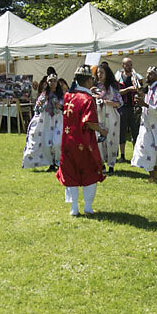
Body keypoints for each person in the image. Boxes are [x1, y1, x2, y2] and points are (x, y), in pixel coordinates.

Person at [56, 65, 107, 215]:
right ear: (88, 81)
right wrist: (102, 130)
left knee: (70, 173)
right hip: (84, 142)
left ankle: (74, 208)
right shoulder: (87, 99)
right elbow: (89, 122)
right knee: (90, 172)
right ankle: (88, 207)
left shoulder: (68, 96)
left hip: (67, 141)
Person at [132, 66, 157, 182]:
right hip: (147, 124)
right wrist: (140, 105)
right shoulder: (149, 89)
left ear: (156, 76)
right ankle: (153, 176)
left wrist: (144, 104)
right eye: (147, 73)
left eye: (151, 74)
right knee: (146, 148)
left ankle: (155, 176)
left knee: (155, 150)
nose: (148, 76)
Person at [22, 73, 64, 170]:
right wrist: (41, 104)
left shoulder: (61, 95)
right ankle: (51, 163)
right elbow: (37, 108)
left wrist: (59, 106)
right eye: (50, 81)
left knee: (57, 142)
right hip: (46, 120)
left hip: (58, 120)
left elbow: (65, 107)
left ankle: (59, 162)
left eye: (54, 81)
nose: (52, 83)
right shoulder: (44, 95)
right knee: (47, 143)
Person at [93, 63, 122, 174]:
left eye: (102, 72)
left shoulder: (112, 87)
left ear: (107, 73)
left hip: (111, 115)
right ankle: (101, 164)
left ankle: (111, 164)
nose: (99, 75)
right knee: (99, 139)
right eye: (98, 72)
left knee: (111, 139)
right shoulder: (95, 87)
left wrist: (106, 102)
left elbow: (119, 103)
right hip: (98, 114)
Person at [114, 57, 143, 162]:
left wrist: (138, 89)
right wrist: (128, 89)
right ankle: (122, 155)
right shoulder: (118, 78)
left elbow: (141, 92)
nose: (129, 67)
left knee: (135, 132)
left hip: (134, 107)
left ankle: (136, 155)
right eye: (127, 65)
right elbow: (116, 92)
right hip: (122, 107)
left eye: (131, 64)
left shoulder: (137, 77)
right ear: (123, 65)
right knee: (122, 132)